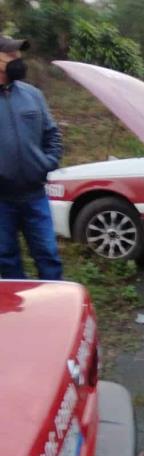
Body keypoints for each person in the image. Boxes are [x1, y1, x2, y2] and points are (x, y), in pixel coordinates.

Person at [0, 35, 63, 280]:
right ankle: (19, 314)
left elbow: (52, 134)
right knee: (6, 259)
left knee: (48, 255)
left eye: (19, 55)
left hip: (35, 195)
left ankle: (54, 310)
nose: (18, 61)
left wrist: (46, 164)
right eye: (11, 56)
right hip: (1, 200)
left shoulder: (33, 95)